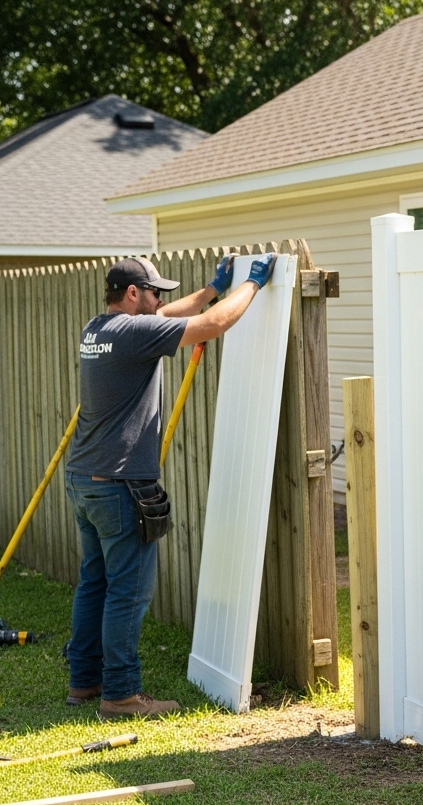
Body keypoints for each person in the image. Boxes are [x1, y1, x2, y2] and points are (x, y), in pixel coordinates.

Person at [64, 253, 275, 718]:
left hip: (84, 479)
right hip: (119, 484)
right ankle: (121, 694)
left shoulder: (97, 329)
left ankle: (84, 681)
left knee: (94, 582)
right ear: (132, 293)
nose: (161, 299)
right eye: (154, 291)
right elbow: (213, 325)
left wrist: (212, 289)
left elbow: (168, 314)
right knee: (128, 592)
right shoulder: (135, 334)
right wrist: (254, 285)